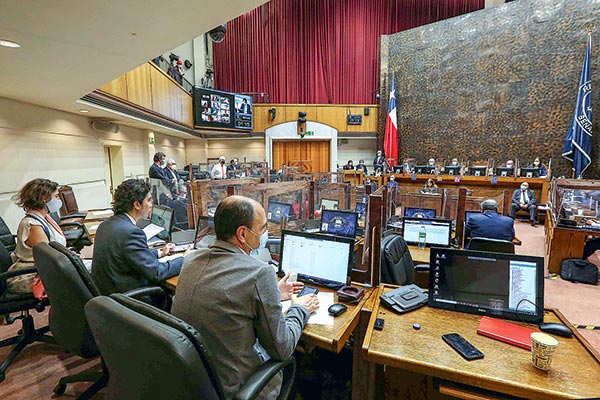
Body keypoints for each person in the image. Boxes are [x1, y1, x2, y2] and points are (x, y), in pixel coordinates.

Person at [172, 196, 319, 399]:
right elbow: (282, 348)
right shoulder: (260, 273)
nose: (265, 234)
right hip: (237, 387)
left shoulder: (190, 261)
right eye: (263, 228)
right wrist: (300, 309)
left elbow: (228, 294)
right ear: (242, 233)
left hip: (195, 380)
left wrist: (273, 291)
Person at [91, 179, 184, 300]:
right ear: (137, 205)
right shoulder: (131, 233)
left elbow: (128, 255)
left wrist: (159, 252)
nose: (151, 204)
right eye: (149, 200)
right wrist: (185, 258)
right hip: (131, 301)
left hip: (110, 298)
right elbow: (157, 272)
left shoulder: (106, 225)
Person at [7, 178, 67, 293]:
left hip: (44, 268)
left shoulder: (44, 218)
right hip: (30, 274)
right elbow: (47, 257)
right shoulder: (33, 225)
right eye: (56, 196)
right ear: (45, 199)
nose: (59, 200)